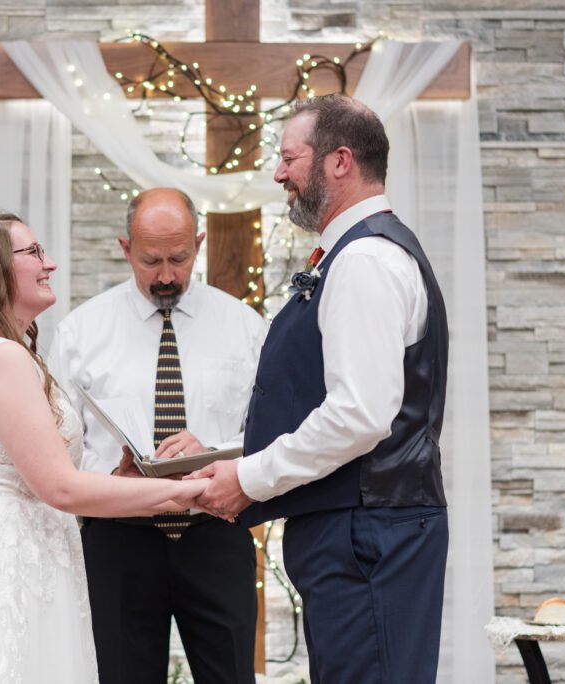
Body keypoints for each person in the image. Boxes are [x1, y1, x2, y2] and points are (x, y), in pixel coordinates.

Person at [190, 94, 451, 683]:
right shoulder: (360, 253)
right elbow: (323, 402)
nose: (279, 173)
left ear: (339, 161)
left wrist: (248, 480)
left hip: (366, 532)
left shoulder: (364, 262)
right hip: (365, 526)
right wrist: (223, 455)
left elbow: (359, 415)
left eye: (289, 158)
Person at [0, 213, 207, 684]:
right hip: (6, 555)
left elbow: (37, 475)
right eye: (34, 252)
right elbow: (59, 487)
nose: (50, 263)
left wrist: (122, 483)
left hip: (14, 540)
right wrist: (183, 495)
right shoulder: (3, 356)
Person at [47, 188, 266, 684]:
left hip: (216, 532)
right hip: (117, 541)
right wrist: (112, 478)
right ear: (126, 249)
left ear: (200, 244)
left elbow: (269, 434)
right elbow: (56, 449)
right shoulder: (80, 334)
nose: (166, 275)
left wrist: (213, 454)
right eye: (150, 260)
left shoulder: (246, 328)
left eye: (180, 257)